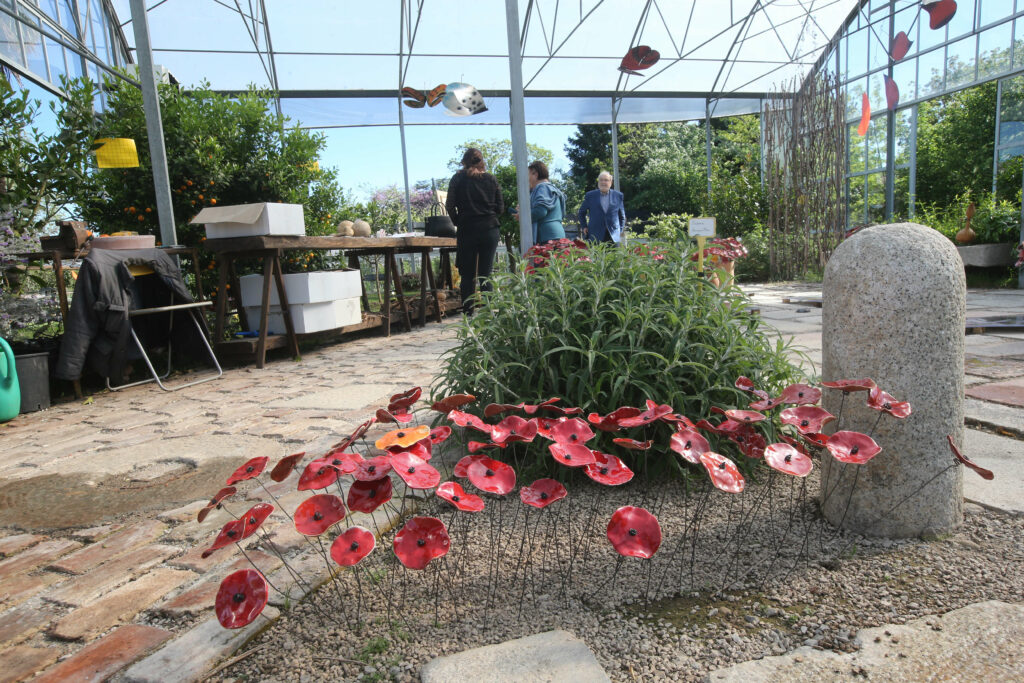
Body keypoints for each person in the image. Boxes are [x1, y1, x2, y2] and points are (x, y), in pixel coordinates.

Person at [445, 147, 504, 315]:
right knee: (486, 273)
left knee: (467, 274)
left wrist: (458, 221)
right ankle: (489, 311)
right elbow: (500, 207)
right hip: (489, 228)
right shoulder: (491, 180)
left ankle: (468, 312)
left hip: (467, 229)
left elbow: (449, 205)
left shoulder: (457, 179)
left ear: (464, 162)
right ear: (482, 161)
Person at [523, 160, 566, 244]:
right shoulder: (552, 188)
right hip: (556, 234)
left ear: (535, 174)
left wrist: (523, 215)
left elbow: (540, 211)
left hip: (547, 237)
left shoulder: (542, 188)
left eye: (528, 175)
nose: (527, 179)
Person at [577, 171, 626, 244]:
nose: (603, 182)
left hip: (613, 236)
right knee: (595, 255)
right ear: (598, 182)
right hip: (595, 235)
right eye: (601, 180)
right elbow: (581, 212)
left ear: (610, 182)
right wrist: (584, 226)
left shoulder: (618, 196)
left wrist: (620, 230)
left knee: (614, 255)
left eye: (606, 180)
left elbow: (622, 216)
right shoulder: (590, 196)